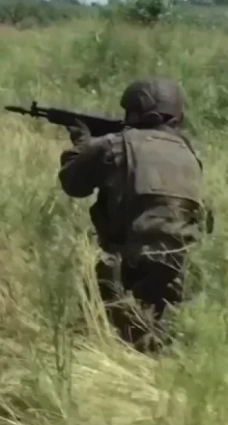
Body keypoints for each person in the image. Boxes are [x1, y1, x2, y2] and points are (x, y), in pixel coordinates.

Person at [59, 78, 212, 353]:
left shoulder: (114, 145)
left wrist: (82, 144)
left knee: (102, 338)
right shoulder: (188, 153)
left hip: (126, 268)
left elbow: (73, 184)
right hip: (180, 269)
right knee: (159, 341)